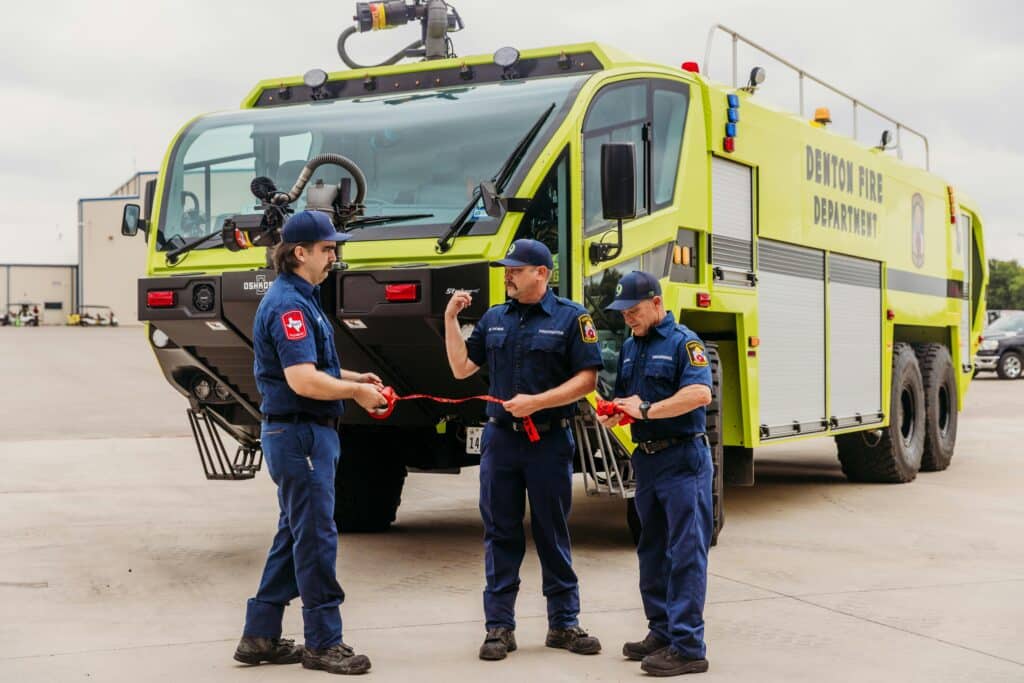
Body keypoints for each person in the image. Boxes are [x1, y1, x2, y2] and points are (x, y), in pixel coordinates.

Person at [235, 210, 387, 676]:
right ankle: (323, 641)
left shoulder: (303, 297)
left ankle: (259, 636)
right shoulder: (288, 306)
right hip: (300, 431)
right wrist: (358, 394)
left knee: (295, 533)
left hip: (305, 432)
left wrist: (357, 377)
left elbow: (316, 367)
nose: (333, 255)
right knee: (317, 537)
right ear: (299, 253)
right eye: (327, 249)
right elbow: (302, 380)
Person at [444, 238, 604, 661]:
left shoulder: (572, 318)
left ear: (542, 273)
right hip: (500, 440)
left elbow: (587, 380)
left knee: (552, 530)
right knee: (500, 532)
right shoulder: (495, 318)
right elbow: (461, 369)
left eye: (515, 268)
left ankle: (564, 623)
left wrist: (538, 402)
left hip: (548, 439)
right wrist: (450, 320)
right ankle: (499, 627)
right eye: (506, 268)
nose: (507, 275)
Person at [596, 271, 713, 677]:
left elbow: (699, 394)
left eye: (634, 310)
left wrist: (646, 411)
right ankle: (661, 631)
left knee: (685, 554)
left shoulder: (685, 343)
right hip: (647, 462)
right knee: (651, 551)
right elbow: (627, 398)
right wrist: (614, 413)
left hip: (683, 460)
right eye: (623, 312)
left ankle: (688, 646)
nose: (628, 318)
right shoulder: (631, 347)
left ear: (657, 303)